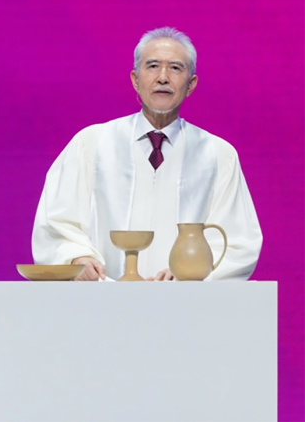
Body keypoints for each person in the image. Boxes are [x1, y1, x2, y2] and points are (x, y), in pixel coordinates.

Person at [32, 27, 262, 281]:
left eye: (175, 68)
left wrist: (191, 271)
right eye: (152, 66)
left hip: (186, 306)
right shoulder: (91, 144)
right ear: (135, 80)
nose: (163, 77)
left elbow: (238, 241)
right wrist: (76, 256)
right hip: (101, 301)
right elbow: (57, 222)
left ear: (191, 84)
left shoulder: (217, 155)